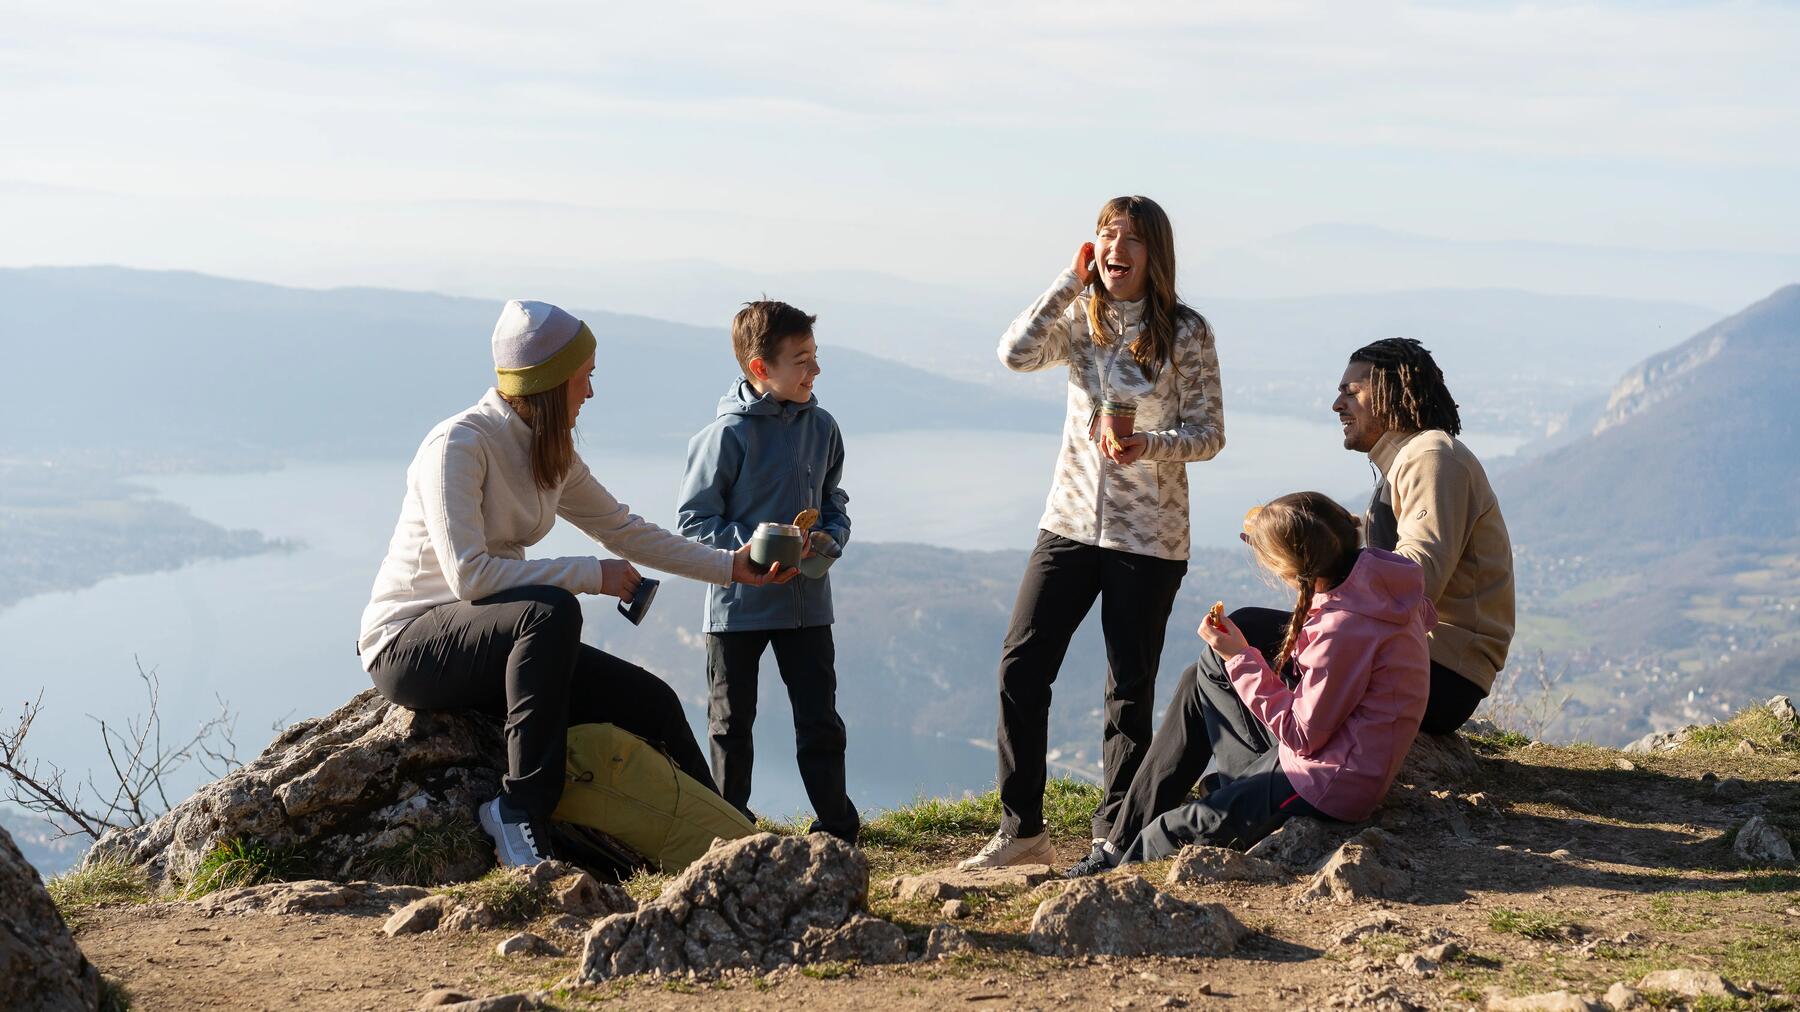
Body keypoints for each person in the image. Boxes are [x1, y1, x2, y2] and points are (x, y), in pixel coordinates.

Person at [358, 299, 793, 868]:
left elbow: (624, 529)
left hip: (493, 642)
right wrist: (590, 576)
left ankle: (737, 844)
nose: (589, 393)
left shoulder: (547, 451)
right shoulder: (459, 445)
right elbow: (470, 576)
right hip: (410, 644)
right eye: (583, 379)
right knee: (551, 610)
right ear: (549, 382)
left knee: (652, 703)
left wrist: (729, 566)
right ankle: (517, 811)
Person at [961, 195, 1225, 871]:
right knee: (1021, 665)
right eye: (1107, 235)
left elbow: (1210, 434)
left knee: (1127, 690)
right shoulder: (1082, 318)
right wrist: (1065, 283)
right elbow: (1015, 354)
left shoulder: (1186, 333)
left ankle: (1117, 835)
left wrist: (1149, 444)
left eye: (1131, 238)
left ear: (1154, 254)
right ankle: (1023, 831)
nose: (1116, 248)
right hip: (1069, 523)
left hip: (1150, 539)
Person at [1067, 492, 1433, 875]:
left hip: (1325, 782)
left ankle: (1118, 875)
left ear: (1294, 570)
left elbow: (1303, 734)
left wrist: (1240, 656)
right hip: (1329, 757)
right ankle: (1116, 847)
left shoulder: (1343, 627)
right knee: (1199, 677)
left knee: (1165, 833)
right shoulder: (1377, 583)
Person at [677, 300, 859, 843]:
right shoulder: (723, 437)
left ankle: (837, 829)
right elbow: (692, 524)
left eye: (815, 357)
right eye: (801, 360)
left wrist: (833, 535)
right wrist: (757, 546)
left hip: (807, 603)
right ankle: (728, 832)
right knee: (731, 727)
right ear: (761, 368)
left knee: (821, 721)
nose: (815, 371)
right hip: (737, 606)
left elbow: (833, 500)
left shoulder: (822, 427)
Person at [1334, 337, 1514, 733]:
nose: (1337, 406)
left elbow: (1417, 576)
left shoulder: (1432, 456)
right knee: (1231, 659)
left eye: (1350, 392)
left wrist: (1329, 561)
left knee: (1247, 648)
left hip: (1440, 671)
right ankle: (1247, 786)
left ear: (1389, 391)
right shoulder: (1406, 462)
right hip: (1416, 659)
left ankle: (1256, 791)